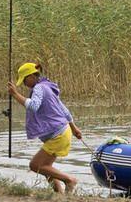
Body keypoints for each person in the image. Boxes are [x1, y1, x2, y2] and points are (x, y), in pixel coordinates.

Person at [8, 62, 82, 194]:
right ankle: (58, 193)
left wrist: (15, 94)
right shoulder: (47, 87)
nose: (24, 84)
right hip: (63, 131)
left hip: (58, 135)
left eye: (24, 80)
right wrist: (74, 128)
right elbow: (63, 109)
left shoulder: (38, 88)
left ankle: (69, 180)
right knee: (46, 167)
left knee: (35, 165)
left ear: (31, 76)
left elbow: (33, 106)